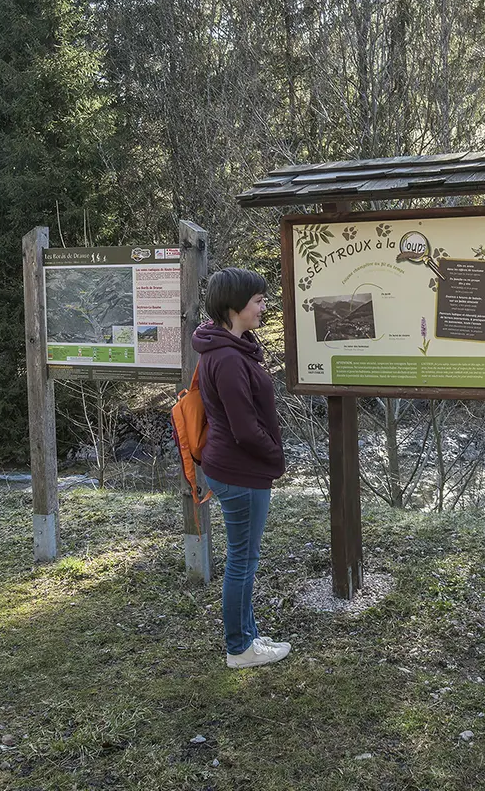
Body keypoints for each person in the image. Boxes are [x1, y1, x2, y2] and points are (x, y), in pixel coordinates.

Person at [192, 267, 290, 669]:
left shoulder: (228, 346)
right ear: (235, 307)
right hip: (240, 470)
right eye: (258, 301)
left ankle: (247, 637)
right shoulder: (229, 359)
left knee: (242, 557)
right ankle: (240, 649)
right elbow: (245, 428)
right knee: (242, 560)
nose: (264, 307)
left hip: (231, 467)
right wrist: (276, 458)